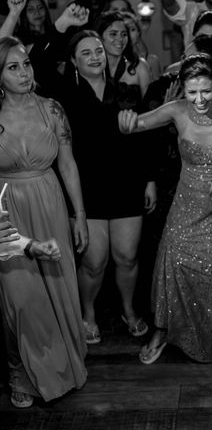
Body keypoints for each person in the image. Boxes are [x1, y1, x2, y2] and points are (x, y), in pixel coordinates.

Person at [118, 53, 212, 366]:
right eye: (192, 92)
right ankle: (163, 331)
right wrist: (126, 122)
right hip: (186, 207)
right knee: (172, 262)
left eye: (205, 91)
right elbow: (136, 124)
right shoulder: (178, 111)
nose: (199, 99)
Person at [50, 7, 157, 346]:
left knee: (127, 256)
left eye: (98, 50)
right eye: (86, 53)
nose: (95, 56)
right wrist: (63, 26)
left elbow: (143, 141)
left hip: (126, 184)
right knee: (94, 262)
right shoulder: (64, 94)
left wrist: (150, 178)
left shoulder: (124, 91)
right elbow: (39, 60)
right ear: (74, 61)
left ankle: (128, 309)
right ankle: (88, 313)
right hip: (86, 189)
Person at [0, 36, 88, 408]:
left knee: (60, 288)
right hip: (8, 211)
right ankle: (20, 371)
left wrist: (79, 213)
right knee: (20, 298)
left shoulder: (52, 109)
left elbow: (67, 164)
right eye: (13, 66)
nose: (23, 72)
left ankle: (62, 366)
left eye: (27, 64)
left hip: (50, 202)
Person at [93, 11, 152, 98]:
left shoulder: (140, 66)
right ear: (100, 37)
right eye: (113, 34)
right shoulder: (92, 67)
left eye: (124, 34)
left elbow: (151, 107)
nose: (120, 39)